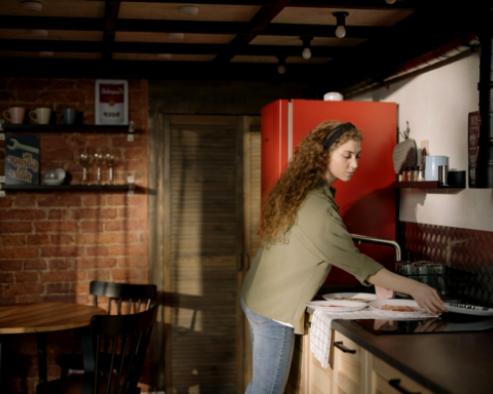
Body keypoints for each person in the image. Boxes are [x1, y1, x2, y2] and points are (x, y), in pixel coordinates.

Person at [240, 120, 445, 394]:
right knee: (266, 391)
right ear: (323, 155)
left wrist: (380, 280)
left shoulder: (306, 190)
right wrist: (417, 288)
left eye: (357, 156)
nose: (355, 164)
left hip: (260, 297)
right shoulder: (317, 206)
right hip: (274, 309)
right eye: (346, 156)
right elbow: (356, 262)